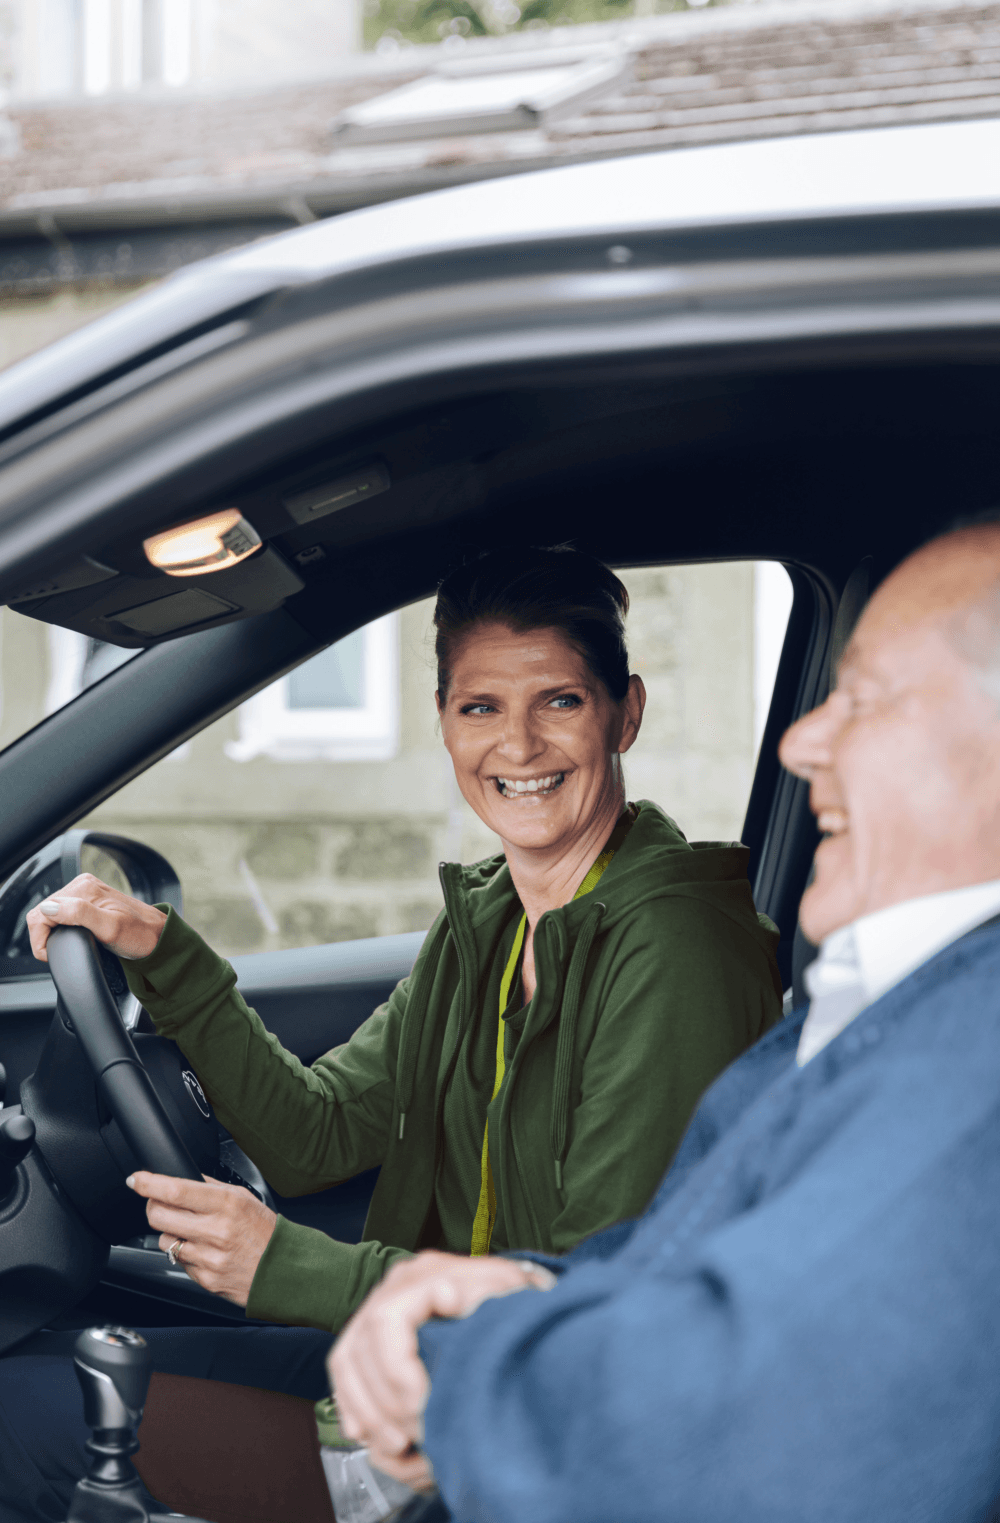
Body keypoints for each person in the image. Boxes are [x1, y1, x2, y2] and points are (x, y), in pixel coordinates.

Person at [0, 545, 781, 1523]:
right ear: (447, 723)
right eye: (481, 707)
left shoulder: (677, 948)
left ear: (625, 711)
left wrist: (285, 1263)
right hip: (431, 1369)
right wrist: (164, 954)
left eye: (560, 702)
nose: (520, 747)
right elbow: (315, 1135)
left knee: (21, 1423)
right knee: (46, 1365)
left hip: (529, 1443)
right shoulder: (487, 922)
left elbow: (596, 1301)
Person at [329, 516, 1000, 1523]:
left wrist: (464, 1371)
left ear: (620, 715)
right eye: (477, 705)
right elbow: (682, 1255)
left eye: (861, 698)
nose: (802, 739)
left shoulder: (967, 1058)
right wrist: (522, 1287)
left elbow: (728, 1424)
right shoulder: (888, 1001)